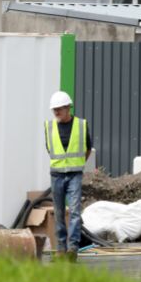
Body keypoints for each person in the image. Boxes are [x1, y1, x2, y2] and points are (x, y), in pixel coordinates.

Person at [44, 91, 92, 262]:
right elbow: (50, 150)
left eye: (59, 109)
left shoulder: (81, 125)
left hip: (74, 175)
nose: (56, 112)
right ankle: (61, 250)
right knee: (58, 213)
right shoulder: (49, 127)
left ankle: (72, 249)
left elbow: (87, 148)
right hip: (56, 175)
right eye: (54, 109)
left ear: (67, 108)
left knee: (74, 212)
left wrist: (78, 165)